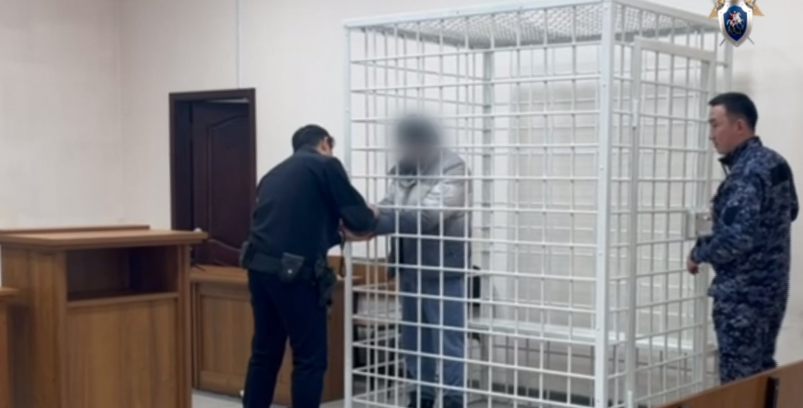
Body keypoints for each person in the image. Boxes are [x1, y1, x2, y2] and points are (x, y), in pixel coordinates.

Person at [241, 124, 376, 408]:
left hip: (258, 269)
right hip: (295, 275)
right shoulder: (326, 165)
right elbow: (360, 219)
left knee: (264, 354)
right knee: (309, 359)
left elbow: (296, 223)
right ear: (325, 143)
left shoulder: (273, 174)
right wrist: (371, 215)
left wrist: (337, 234)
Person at [344, 116, 471, 408]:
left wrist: (371, 225)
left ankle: (453, 400)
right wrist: (367, 217)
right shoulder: (404, 168)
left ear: (427, 142)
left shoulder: (453, 168)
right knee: (414, 339)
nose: (407, 150)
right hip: (410, 266)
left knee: (448, 341)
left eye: (412, 144)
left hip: (443, 269)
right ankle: (421, 398)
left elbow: (427, 217)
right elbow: (388, 205)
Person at [687, 92, 798, 384]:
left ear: (739, 126)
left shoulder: (745, 175)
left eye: (715, 124)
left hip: (742, 299)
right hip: (772, 292)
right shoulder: (776, 163)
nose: (711, 134)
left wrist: (698, 253)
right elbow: (792, 210)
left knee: (739, 384)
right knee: (762, 378)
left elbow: (735, 239)